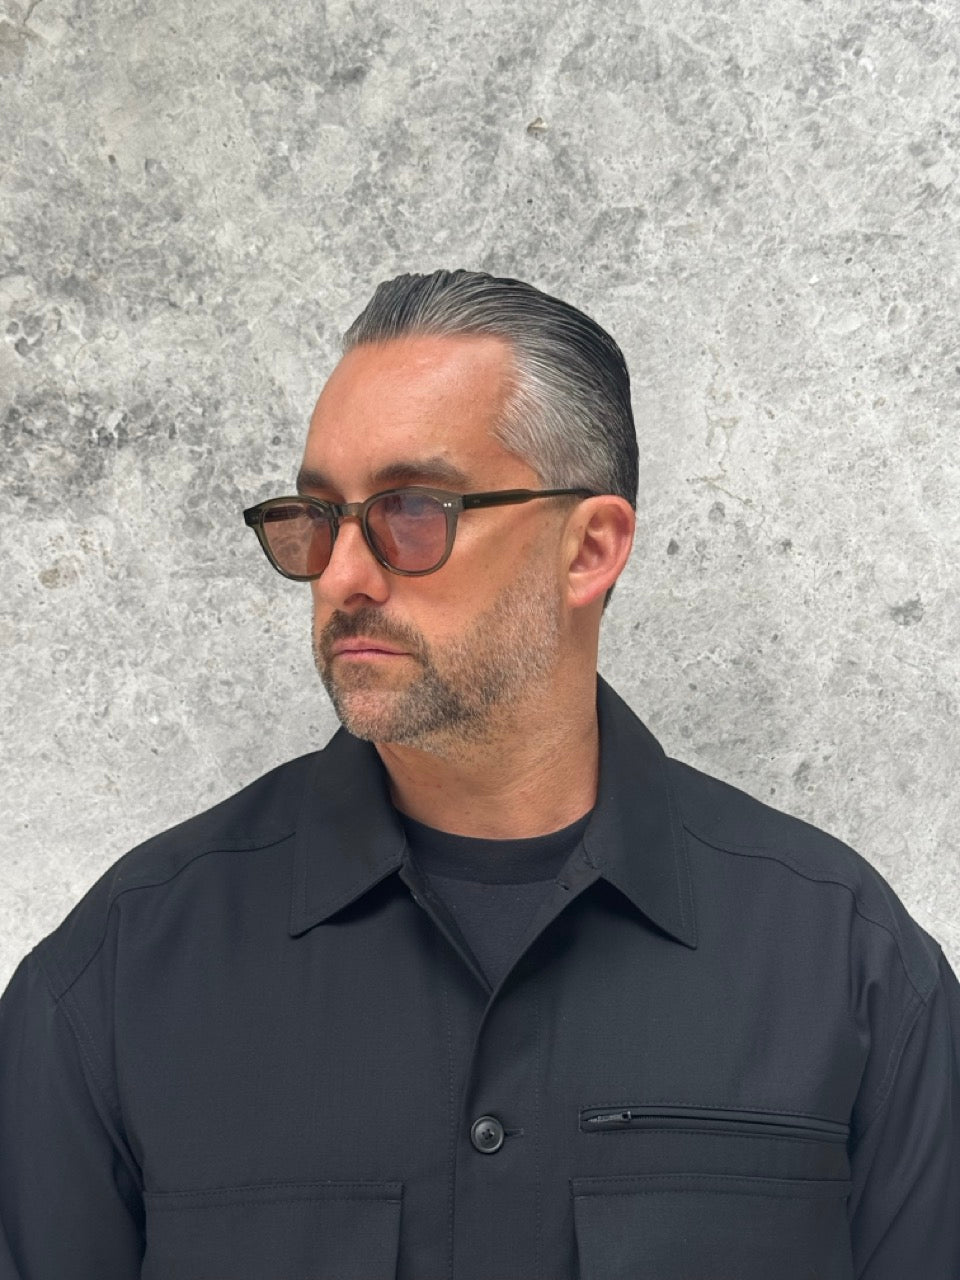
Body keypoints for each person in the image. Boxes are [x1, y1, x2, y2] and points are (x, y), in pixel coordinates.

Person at [0, 269, 957, 1280]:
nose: (342, 575)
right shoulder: (119, 977)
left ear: (589, 548)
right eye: (319, 513)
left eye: (413, 509)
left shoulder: (849, 968)